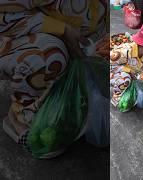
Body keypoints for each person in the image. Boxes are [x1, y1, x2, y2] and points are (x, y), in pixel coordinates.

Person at [0, 0, 106, 149]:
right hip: (15, 37)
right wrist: (60, 29)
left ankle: (57, 93)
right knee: (50, 57)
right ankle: (20, 116)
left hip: (74, 38)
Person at [110, 23, 143, 106]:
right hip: (111, 73)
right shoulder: (124, 52)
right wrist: (129, 71)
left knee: (133, 81)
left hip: (128, 74)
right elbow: (110, 65)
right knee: (125, 79)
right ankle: (116, 97)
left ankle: (125, 86)